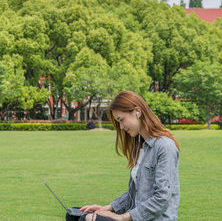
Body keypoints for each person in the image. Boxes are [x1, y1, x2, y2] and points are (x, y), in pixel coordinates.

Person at [71, 91, 180, 221]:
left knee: (88, 219)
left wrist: (122, 217)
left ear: (137, 112)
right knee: (74, 214)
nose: (121, 127)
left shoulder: (165, 146)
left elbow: (161, 199)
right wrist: (107, 208)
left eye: (121, 120)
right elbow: (135, 194)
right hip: (134, 216)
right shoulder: (140, 146)